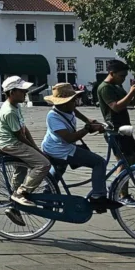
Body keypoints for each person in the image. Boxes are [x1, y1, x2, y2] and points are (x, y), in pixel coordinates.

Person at [40, 83, 118, 213]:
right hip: (59, 149)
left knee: (59, 169)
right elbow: (69, 138)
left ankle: (47, 194)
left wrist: (88, 120)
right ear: (65, 103)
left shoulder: (66, 109)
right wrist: (87, 128)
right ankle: (98, 197)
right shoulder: (53, 116)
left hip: (58, 147)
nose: (76, 102)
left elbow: (75, 111)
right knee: (98, 162)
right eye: (73, 100)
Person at [0, 76, 51, 212]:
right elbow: (19, 136)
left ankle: (13, 199)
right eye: (22, 91)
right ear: (12, 92)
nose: (25, 93)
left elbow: (24, 129)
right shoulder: (9, 111)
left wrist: (35, 148)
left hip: (14, 141)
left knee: (21, 169)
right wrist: (35, 150)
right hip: (10, 143)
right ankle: (20, 193)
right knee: (44, 164)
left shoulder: (16, 106)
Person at [97, 59, 135, 206]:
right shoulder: (105, 88)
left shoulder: (117, 86)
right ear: (112, 73)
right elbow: (116, 107)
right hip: (115, 130)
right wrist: (130, 92)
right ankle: (122, 194)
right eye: (121, 76)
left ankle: (116, 185)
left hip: (125, 129)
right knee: (125, 162)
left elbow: (131, 103)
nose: (123, 78)